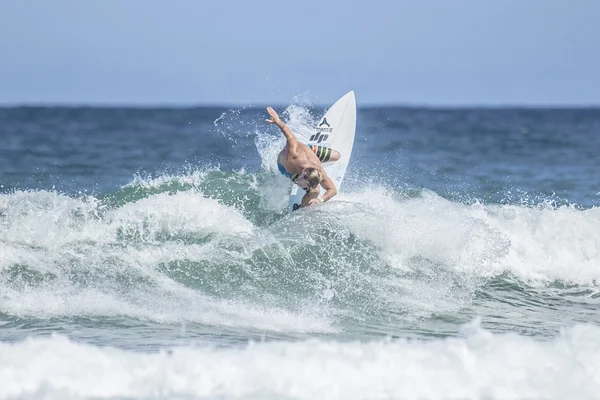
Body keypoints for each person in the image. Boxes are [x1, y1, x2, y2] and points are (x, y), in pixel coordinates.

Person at [265, 106, 340, 207]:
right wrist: (278, 121)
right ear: (302, 174)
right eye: (306, 184)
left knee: (337, 156)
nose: (303, 186)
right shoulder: (293, 156)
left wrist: (320, 200)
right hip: (284, 166)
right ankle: (301, 208)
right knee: (315, 191)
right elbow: (290, 136)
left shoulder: (319, 171)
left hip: (309, 152)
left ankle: (313, 150)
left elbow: (333, 190)